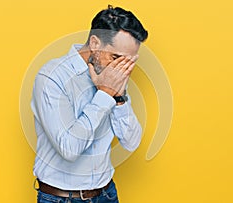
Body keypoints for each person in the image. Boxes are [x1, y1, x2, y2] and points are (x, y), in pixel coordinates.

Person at [31, 5, 148, 203]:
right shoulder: (52, 77)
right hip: (61, 198)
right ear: (94, 42)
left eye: (128, 62)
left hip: (106, 194)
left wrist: (118, 97)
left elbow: (131, 142)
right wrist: (104, 94)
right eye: (116, 58)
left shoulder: (113, 76)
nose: (121, 69)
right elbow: (69, 149)